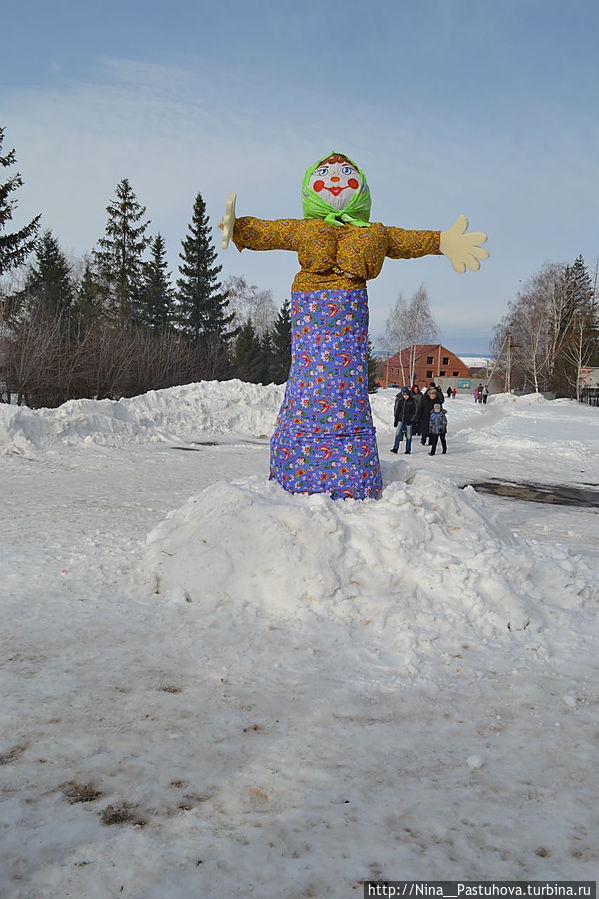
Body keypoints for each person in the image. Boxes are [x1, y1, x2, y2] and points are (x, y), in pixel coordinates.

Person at [220, 151, 488, 500]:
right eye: (326, 174)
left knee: (345, 392)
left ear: (360, 187)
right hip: (310, 317)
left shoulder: (372, 232)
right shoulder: (305, 229)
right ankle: (296, 467)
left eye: (345, 173)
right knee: (308, 389)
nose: (335, 179)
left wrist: (442, 241)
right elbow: (271, 231)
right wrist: (238, 227)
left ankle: (351, 472)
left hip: (349, 318)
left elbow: (404, 240)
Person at [391, 386, 417, 454]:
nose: (405, 396)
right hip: (401, 420)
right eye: (404, 395)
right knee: (397, 434)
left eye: (407, 395)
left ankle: (408, 449)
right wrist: (396, 420)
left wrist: (411, 420)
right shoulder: (401, 401)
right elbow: (397, 411)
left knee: (408, 435)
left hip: (409, 421)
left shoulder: (412, 401)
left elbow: (415, 412)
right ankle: (395, 448)